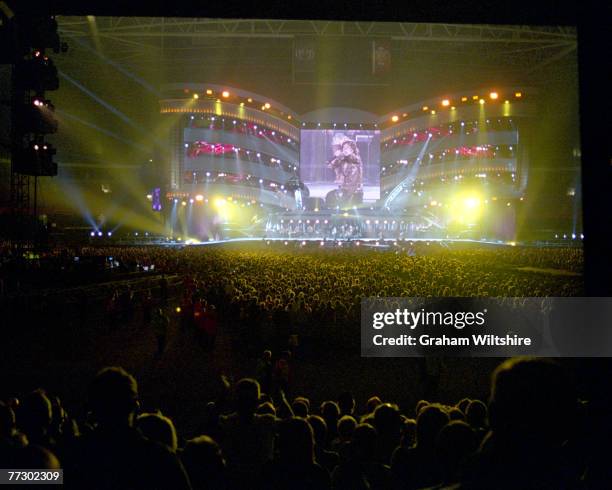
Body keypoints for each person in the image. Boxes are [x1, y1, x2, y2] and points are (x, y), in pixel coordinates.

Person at [64, 367, 191, 490]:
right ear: (135, 407)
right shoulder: (161, 459)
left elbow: (48, 478)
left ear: (92, 408)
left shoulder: (73, 453)